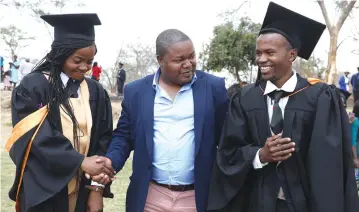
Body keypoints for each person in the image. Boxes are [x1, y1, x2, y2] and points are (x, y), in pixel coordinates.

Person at [208, 2, 359, 212]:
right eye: (258, 53)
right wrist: (260, 154)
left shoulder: (320, 97)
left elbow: (331, 165)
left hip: (304, 204)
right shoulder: (245, 99)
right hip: (257, 203)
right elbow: (228, 152)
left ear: (292, 55)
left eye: (269, 52)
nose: (261, 59)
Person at [92, 29, 228, 212]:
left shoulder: (213, 88)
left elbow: (226, 139)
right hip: (150, 196)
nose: (188, 64)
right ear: (160, 60)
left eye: (192, 56)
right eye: (179, 60)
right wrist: (110, 163)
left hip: (197, 198)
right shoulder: (136, 92)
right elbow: (124, 137)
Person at [6, 13, 115, 212]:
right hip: (45, 190)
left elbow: (103, 139)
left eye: (90, 62)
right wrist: (80, 161)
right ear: (61, 54)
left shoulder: (95, 91)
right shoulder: (35, 86)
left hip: (83, 188)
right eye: (78, 60)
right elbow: (34, 137)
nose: (84, 67)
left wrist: (97, 189)